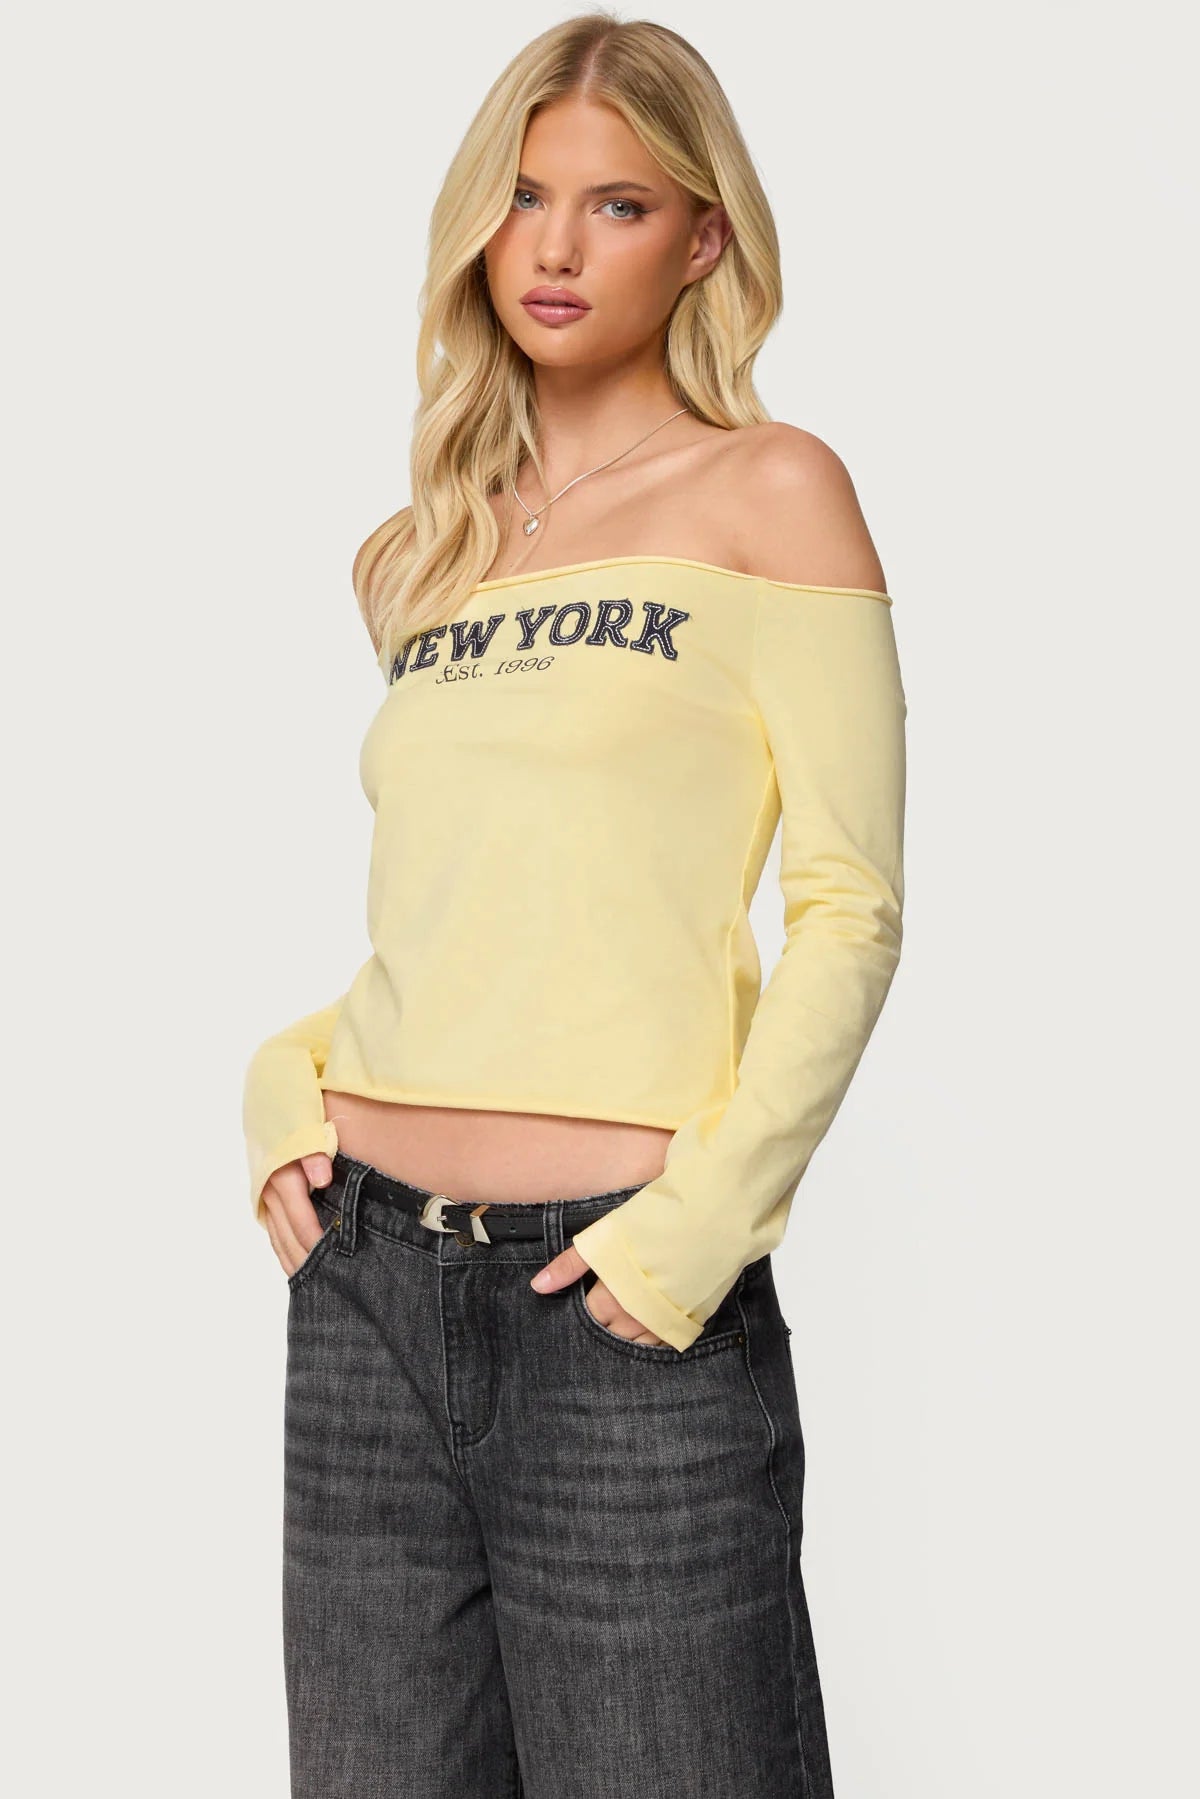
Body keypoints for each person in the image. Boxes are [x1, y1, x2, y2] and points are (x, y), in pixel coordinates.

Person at [241, 12, 907, 1796]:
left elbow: (849, 908)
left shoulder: (773, 492)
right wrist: (285, 1086)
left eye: (617, 205)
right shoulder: (422, 553)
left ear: (701, 238)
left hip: (616, 1299)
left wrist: (693, 1237)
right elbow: (470, 921)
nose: (554, 246)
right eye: (525, 197)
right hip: (364, 1301)